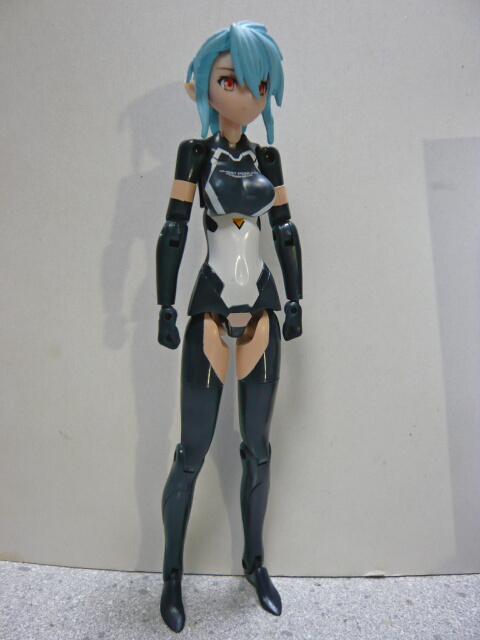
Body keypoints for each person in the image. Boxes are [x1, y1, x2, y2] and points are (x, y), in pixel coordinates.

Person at [156, 21, 303, 632]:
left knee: (257, 449)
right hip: (210, 311)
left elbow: (285, 230)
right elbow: (174, 230)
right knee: (191, 452)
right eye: (229, 80)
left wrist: (296, 300)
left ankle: (254, 562)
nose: (245, 94)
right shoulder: (195, 155)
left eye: (257, 83)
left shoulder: (269, 159)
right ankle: (171, 574)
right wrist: (166, 306)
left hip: (262, 308)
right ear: (203, 86)